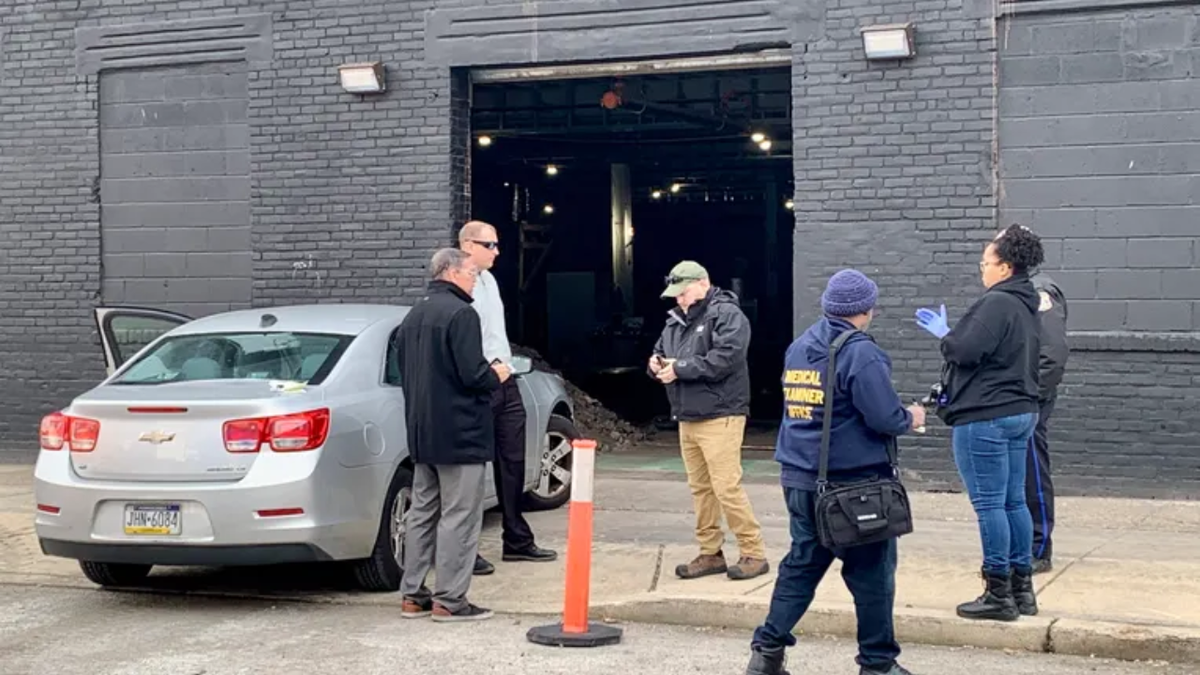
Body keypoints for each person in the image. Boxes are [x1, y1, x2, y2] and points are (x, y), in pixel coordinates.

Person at [745, 269, 924, 675]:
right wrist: (911, 416)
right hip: (852, 485)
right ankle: (878, 664)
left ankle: (766, 652)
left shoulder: (800, 346)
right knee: (872, 574)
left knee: (802, 563)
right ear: (867, 309)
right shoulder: (861, 353)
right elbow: (884, 417)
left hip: (800, 478)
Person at [914, 224, 1045, 622]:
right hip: (1021, 411)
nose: (981, 269)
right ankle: (1023, 590)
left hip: (986, 415)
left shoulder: (997, 302)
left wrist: (945, 334)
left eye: (985, 263)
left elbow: (966, 350)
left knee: (990, 504)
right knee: (1014, 501)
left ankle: (998, 594)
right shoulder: (1027, 303)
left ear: (1005, 267)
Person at [396, 248, 510, 622]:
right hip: (461, 432)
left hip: (422, 430)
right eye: (471, 273)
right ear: (452, 272)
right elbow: (472, 375)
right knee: (460, 515)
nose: (475, 280)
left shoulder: (413, 315)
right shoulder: (462, 314)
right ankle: (450, 600)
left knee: (422, 512)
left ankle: (412, 595)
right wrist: (498, 374)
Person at [648, 261, 769, 581]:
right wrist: (655, 363)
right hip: (689, 415)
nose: (679, 299)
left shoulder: (728, 316)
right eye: (675, 294)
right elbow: (661, 351)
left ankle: (753, 552)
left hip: (721, 414)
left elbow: (726, 359)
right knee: (701, 488)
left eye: (683, 292)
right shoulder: (675, 321)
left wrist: (679, 368)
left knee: (726, 486)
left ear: (703, 283)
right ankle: (710, 552)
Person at [458, 220, 557, 577]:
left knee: (512, 460)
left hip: (505, 378)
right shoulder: (460, 283)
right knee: (472, 469)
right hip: (480, 381)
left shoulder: (490, 280)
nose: (497, 251)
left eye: (497, 244)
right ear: (468, 245)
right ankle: (466, 548)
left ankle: (516, 538)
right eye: (490, 245)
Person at [1027, 263, 1068, 575]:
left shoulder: (1039, 290)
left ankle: (1040, 548)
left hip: (1030, 399)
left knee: (1033, 471)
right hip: (1019, 396)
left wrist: (1034, 395)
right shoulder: (1020, 289)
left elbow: (1052, 352)